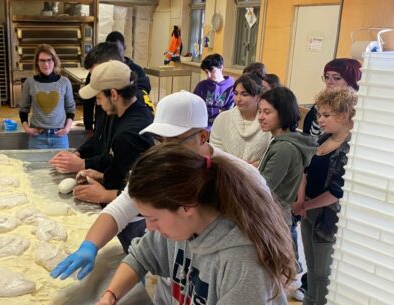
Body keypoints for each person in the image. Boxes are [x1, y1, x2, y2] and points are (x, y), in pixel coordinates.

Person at [51, 91, 272, 302]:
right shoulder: (170, 200)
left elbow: (266, 240)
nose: (164, 148)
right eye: (160, 140)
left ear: (203, 136)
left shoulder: (241, 256)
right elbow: (138, 237)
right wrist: (90, 247)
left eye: (174, 141)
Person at [93, 142, 294, 305]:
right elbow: (140, 256)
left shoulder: (243, 263)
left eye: (153, 218)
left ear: (187, 207)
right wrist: (110, 295)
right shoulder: (180, 227)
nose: (149, 227)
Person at [293, 89, 356, 305]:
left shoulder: (350, 148)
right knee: (312, 271)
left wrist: (306, 205)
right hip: (309, 210)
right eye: (320, 114)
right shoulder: (323, 138)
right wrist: (301, 201)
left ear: (345, 114)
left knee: (322, 273)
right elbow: (305, 170)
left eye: (326, 115)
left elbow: (337, 192)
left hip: (328, 218)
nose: (320, 119)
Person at [257, 87, 317, 301]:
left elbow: (263, 187)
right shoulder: (285, 141)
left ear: (283, 113)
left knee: (271, 278)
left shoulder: (284, 148)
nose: (261, 117)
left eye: (267, 112)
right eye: (260, 111)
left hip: (272, 214)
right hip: (277, 212)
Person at [72, 60, 154, 206]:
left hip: (130, 219)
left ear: (114, 94)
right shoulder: (134, 111)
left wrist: (105, 195)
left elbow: (145, 193)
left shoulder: (128, 134)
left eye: (98, 98)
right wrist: (104, 177)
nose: (98, 104)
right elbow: (126, 168)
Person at [49, 42, 124, 174]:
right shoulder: (106, 99)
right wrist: (78, 153)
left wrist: (84, 164)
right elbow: (99, 139)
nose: (98, 104)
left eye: (97, 73)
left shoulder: (127, 117)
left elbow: (120, 162)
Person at [19, 44, 76, 149]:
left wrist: (67, 128)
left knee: (61, 166)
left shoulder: (64, 82)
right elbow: (23, 108)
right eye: (42, 60)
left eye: (49, 60)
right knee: (36, 165)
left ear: (54, 61)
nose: (46, 64)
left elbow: (70, 108)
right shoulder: (29, 82)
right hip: (37, 138)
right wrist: (26, 128)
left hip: (60, 136)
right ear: (37, 62)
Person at [210, 73, 271, 165]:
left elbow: (272, 155)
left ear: (258, 96)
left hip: (258, 175)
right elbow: (215, 150)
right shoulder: (222, 119)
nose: (238, 99)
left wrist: (257, 164)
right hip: (227, 172)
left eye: (244, 94)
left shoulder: (268, 122)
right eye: (235, 93)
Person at [302, 58, 361, 138]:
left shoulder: (357, 109)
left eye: (336, 78)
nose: (329, 82)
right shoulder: (320, 104)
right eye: (326, 77)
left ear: (352, 81)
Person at [105, 31, 153, 112]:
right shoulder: (103, 71)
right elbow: (89, 102)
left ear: (124, 48)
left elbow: (142, 94)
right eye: (111, 52)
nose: (115, 56)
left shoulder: (137, 71)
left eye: (118, 52)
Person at [192, 53, 234, 130]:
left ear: (221, 67)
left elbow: (231, 112)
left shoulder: (232, 87)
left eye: (211, 71)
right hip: (203, 127)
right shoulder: (202, 85)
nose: (208, 75)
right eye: (206, 72)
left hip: (223, 128)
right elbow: (194, 106)